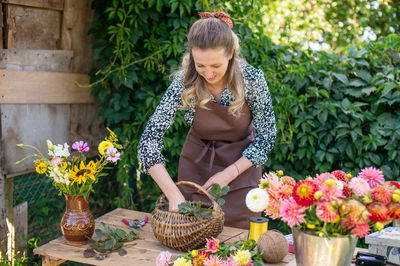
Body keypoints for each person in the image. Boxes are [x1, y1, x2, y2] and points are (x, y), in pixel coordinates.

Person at [137, 12, 276, 229]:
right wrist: (173, 193)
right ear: (192, 55)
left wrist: (228, 174)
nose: (208, 74)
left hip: (240, 175)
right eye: (200, 65)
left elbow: (266, 139)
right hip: (196, 175)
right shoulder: (184, 81)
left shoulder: (252, 80)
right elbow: (148, 141)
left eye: (215, 66)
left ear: (230, 53)